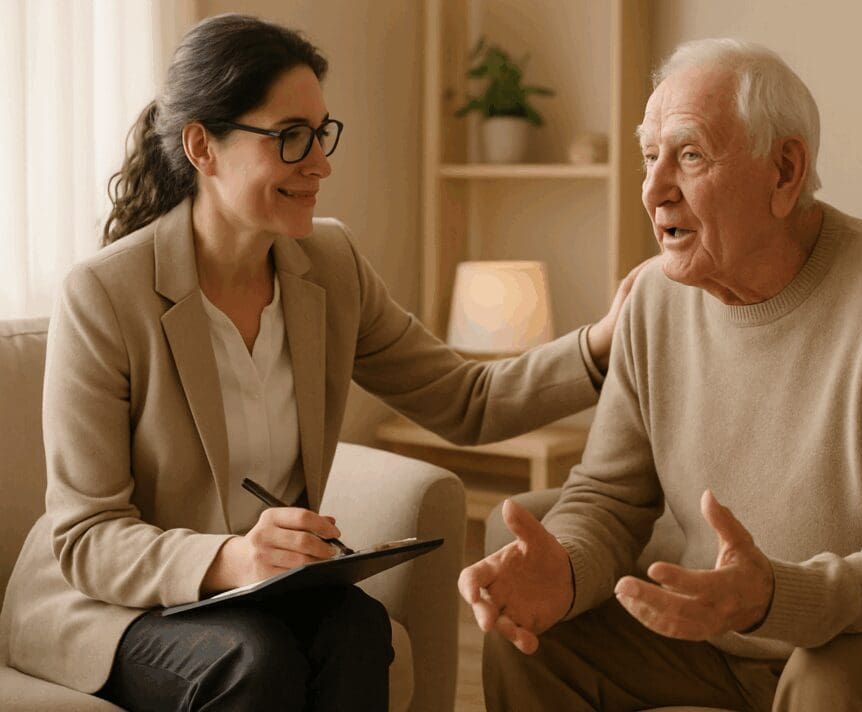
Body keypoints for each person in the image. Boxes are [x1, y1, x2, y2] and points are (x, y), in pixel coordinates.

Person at [1, 14, 643, 711]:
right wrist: (229, 558)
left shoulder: (330, 266)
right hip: (108, 605)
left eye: (322, 132)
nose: (321, 163)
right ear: (201, 148)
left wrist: (602, 340)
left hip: (254, 598)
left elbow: (466, 398)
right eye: (291, 138)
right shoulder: (104, 293)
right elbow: (86, 534)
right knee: (257, 660)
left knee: (361, 631)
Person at [460, 38, 862, 711]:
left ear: (783, 171)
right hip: (718, 637)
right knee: (527, 642)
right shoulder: (654, 300)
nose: (656, 189)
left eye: (689, 155)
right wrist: (567, 569)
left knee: (829, 680)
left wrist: (776, 596)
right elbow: (609, 498)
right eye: (649, 157)